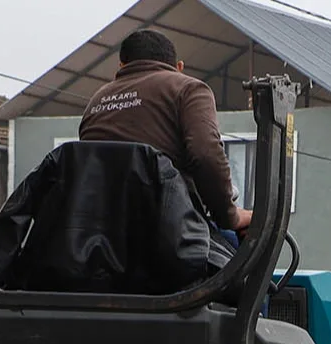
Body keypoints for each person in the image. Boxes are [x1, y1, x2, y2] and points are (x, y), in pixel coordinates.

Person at [79, 29, 251, 247]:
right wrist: (230, 216)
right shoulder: (188, 88)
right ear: (178, 68)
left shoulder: (96, 101)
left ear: (121, 68)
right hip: (170, 236)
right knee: (243, 253)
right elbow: (206, 156)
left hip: (100, 237)